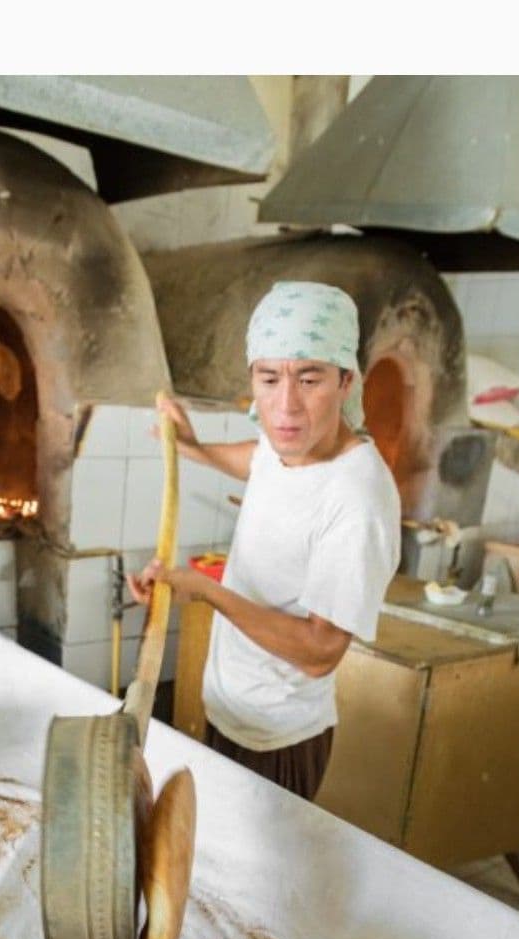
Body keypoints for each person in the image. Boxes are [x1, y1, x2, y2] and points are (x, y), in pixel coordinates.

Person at [128, 280, 401, 803]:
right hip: (229, 711)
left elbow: (320, 652)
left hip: (277, 739)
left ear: (346, 381)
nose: (286, 406)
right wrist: (192, 447)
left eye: (310, 379)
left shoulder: (356, 500)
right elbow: (256, 459)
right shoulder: (287, 446)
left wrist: (205, 591)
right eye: (270, 378)